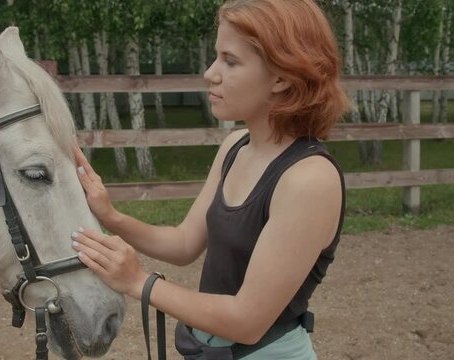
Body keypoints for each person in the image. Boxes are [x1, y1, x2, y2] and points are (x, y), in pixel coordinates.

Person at [69, 0, 349, 358]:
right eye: (217, 57)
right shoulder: (235, 147)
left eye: (230, 61)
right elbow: (184, 243)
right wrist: (110, 216)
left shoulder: (309, 180)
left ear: (282, 77)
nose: (210, 73)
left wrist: (140, 282)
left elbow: (247, 320)